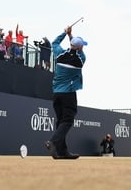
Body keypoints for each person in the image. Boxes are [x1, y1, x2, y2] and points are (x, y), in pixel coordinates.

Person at [44, 25, 87, 160]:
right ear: (80, 47)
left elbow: (54, 43)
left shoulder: (59, 54)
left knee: (61, 121)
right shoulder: (80, 59)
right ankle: (53, 142)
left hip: (56, 93)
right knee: (68, 120)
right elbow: (78, 50)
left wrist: (65, 33)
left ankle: (62, 152)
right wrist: (71, 36)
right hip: (68, 93)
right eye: (82, 46)